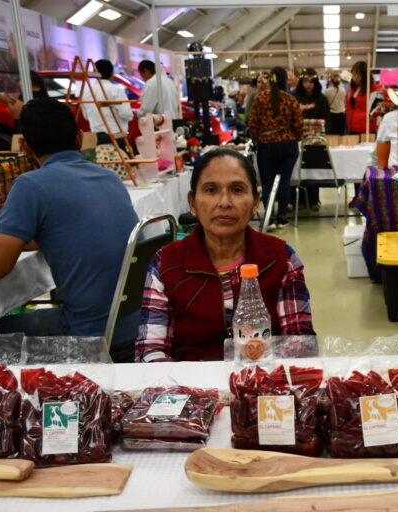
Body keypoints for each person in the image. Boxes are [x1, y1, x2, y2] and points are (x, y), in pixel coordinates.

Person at [135, 149, 315, 362]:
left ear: (256, 201)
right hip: (190, 386)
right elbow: (150, 351)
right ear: (192, 203)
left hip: (264, 382)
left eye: (237, 190)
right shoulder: (166, 263)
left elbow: (300, 345)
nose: (224, 202)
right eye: (211, 190)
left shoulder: (281, 259)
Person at [0, 98, 138, 338]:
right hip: (136, 323)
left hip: (87, 332)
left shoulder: (30, 186)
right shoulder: (109, 178)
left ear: (26, 148)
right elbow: (69, 231)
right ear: (79, 138)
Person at [248, 66, 303, 229]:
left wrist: (258, 139)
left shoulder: (259, 99)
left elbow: (253, 124)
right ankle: (283, 217)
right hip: (288, 145)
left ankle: (270, 217)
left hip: (266, 145)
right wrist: (294, 138)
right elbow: (298, 125)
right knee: (285, 182)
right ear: (284, 80)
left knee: (267, 183)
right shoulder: (290, 99)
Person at [294, 68, 331, 210]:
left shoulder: (321, 99)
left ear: (316, 82)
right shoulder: (295, 97)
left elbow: (327, 119)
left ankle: (315, 200)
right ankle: (300, 201)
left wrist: (323, 133)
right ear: (301, 82)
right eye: (305, 81)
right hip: (298, 139)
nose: (308, 84)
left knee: (314, 169)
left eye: (311, 81)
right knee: (299, 170)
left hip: (316, 140)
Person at [346, 60, 381, 134]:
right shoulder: (352, 89)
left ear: (365, 75)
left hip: (367, 128)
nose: (355, 78)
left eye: (358, 75)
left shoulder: (374, 88)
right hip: (351, 127)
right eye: (353, 75)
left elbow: (380, 107)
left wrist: (373, 116)